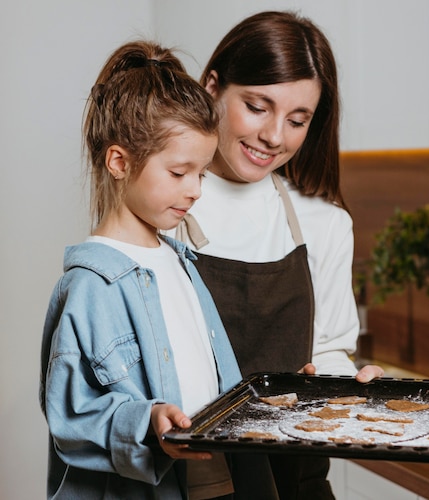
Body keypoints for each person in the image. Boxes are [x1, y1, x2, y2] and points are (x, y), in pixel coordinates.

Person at [174, 11, 384, 499]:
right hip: (195, 480)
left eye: (297, 119)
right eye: (257, 106)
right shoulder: (165, 209)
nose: (274, 136)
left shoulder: (325, 223)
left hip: (294, 480)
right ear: (211, 89)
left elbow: (327, 347)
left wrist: (351, 386)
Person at [39, 40, 245, 499]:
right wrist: (145, 422)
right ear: (119, 161)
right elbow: (71, 415)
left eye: (202, 174)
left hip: (210, 485)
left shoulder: (180, 261)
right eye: (178, 173)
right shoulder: (91, 286)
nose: (194, 190)